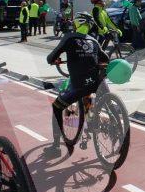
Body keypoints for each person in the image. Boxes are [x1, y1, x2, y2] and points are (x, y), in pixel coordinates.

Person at [44, 13, 109, 157]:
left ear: (77, 24)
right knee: (92, 94)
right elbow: (106, 59)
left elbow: (50, 58)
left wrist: (55, 60)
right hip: (97, 83)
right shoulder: (94, 40)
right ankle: (102, 122)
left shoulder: (69, 37)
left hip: (80, 84)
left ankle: (56, 147)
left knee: (57, 107)